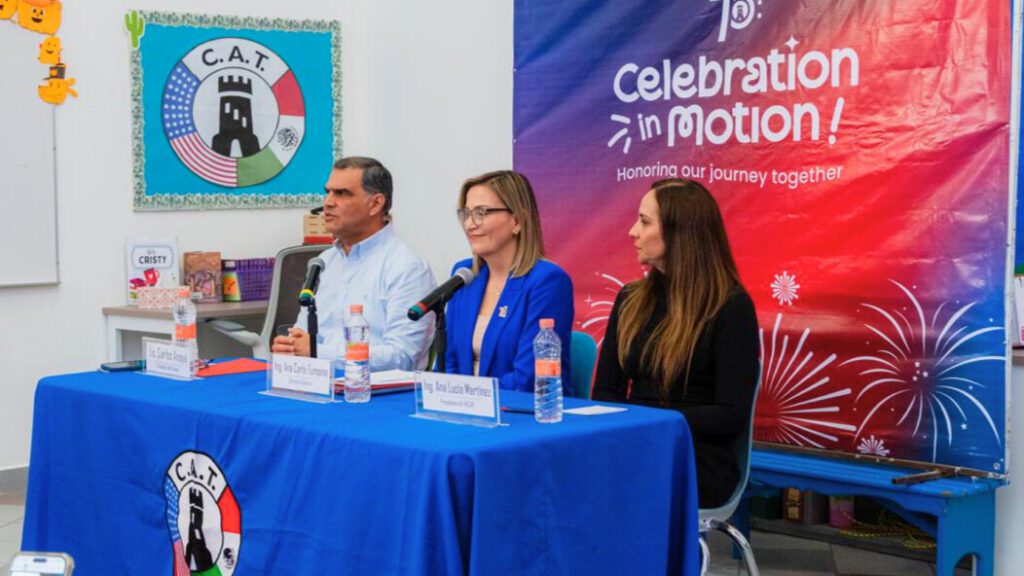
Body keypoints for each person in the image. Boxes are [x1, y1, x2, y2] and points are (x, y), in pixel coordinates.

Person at [592, 178, 759, 509]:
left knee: (604, 486)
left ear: (679, 232)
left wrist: (648, 420)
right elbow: (605, 392)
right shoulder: (630, 299)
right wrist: (637, 425)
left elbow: (730, 415)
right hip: (635, 441)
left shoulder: (731, 306)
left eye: (644, 222)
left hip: (696, 455)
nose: (632, 232)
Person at [271, 156, 436, 370]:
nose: (328, 202)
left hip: (376, 389)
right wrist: (290, 347)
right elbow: (302, 336)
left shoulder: (407, 268)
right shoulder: (324, 261)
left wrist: (317, 352)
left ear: (375, 204)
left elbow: (402, 356)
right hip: (316, 382)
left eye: (341, 193)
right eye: (328, 192)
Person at [444, 170, 574, 391]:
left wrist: (468, 395)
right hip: (465, 406)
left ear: (517, 220)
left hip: (523, 408)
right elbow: (449, 362)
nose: (469, 225)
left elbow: (528, 379)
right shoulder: (464, 275)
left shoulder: (547, 281)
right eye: (466, 214)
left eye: (481, 212)